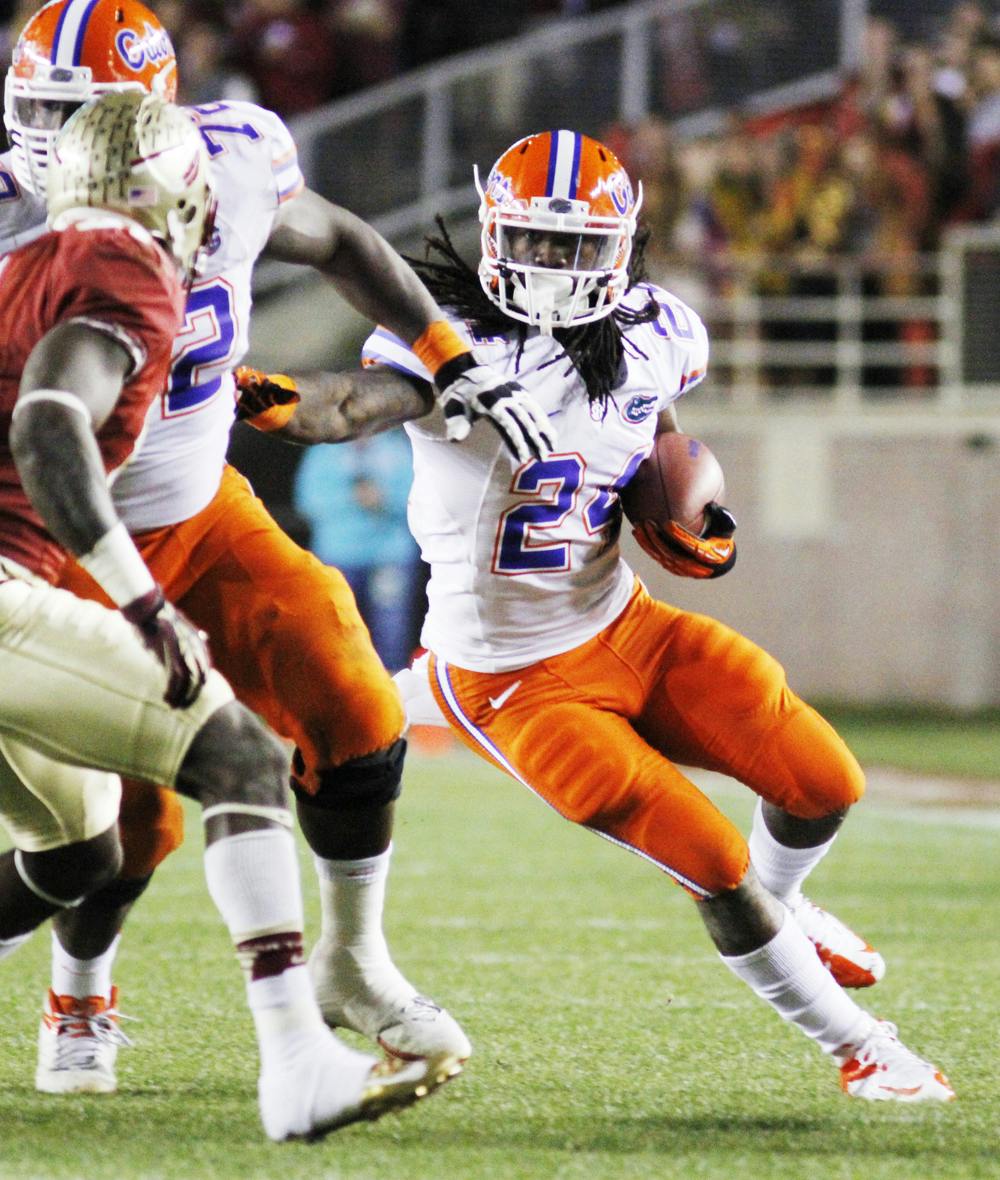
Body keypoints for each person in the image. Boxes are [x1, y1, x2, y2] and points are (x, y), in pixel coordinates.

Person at [237, 129, 955, 1103]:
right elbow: (353, 404)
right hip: (510, 678)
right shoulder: (450, 338)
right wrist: (266, 395)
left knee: (825, 780)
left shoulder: (657, 328)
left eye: (574, 245)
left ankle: (783, 909)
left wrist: (685, 515)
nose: (551, 264)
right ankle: (862, 1048)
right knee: (712, 860)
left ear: (621, 246)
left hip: (625, 625)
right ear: (494, 235)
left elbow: (656, 439)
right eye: (533, 240)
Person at [1, 0, 552, 1095]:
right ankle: (82, 994)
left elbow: (338, 237)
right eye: (45, 114)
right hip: (57, 536)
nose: (66, 144)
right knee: (124, 823)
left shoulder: (232, 165)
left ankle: (353, 963)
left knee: (354, 698)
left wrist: (447, 351)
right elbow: (50, 424)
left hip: (199, 506)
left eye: (90, 114)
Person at [293, 429, 425, 673]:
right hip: (339, 555)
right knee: (337, 628)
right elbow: (307, 501)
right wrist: (352, 498)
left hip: (389, 556)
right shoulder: (324, 452)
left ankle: (391, 685)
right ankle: (339, 683)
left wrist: (383, 500)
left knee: (391, 630)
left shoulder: (395, 449)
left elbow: (420, 501)